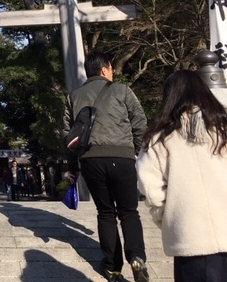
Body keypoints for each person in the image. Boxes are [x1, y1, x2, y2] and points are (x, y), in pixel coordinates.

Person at [63, 51, 149, 282]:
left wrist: (73, 167)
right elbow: (140, 122)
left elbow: (69, 136)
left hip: (91, 160)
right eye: (111, 69)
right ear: (104, 69)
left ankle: (112, 267)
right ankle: (137, 257)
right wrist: (141, 153)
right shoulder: (122, 90)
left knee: (106, 213)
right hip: (122, 157)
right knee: (129, 212)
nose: (113, 72)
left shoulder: (74, 96)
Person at [136, 70, 227, 282]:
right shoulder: (222, 127)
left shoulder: (158, 137)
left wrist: (168, 218)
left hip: (190, 239)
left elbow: (151, 188)